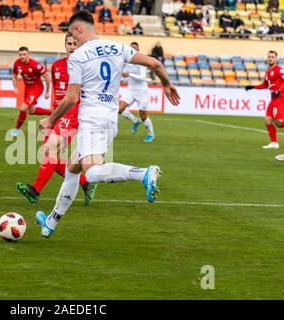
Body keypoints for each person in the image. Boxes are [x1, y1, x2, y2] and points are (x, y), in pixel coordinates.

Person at [36, 10, 180, 238]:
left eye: (72, 33)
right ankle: (51, 222)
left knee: (91, 173)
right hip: (110, 119)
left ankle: (142, 173)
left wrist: (50, 119)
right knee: (72, 168)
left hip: (91, 120)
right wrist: (167, 85)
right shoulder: (118, 47)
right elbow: (154, 63)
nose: (73, 39)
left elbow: (72, 98)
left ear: (79, 29)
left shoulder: (78, 56)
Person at [16, 34, 97, 206]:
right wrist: (52, 117)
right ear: (65, 45)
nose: (72, 46)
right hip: (60, 114)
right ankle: (85, 182)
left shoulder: (86, 66)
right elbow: (57, 94)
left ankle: (35, 191)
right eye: (69, 43)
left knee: (50, 147)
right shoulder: (57, 66)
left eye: (75, 43)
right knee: (50, 154)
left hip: (74, 114)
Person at [245, 51, 284, 150]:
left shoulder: (279, 70)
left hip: (281, 98)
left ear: (276, 59)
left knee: (279, 123)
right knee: (268, 120)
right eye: (269, 57)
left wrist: (279, 91)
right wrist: (253, 87)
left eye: (272, 57)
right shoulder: (267, 72)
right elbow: (264, 85)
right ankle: (274, 143)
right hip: (273, 99)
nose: (270, 58)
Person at [10, 47, 52, 137]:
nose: (22, 56)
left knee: (23, 108)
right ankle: (52, 113)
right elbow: (14, 76)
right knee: (31, 111)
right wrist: (15, 87)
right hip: (28, 88)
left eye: (24, 54)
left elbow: (48, 78)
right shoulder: (17, 63)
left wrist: (47, 92)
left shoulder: (35, 65)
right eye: (20, 54)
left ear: (28, 54)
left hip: (37, 88)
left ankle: (16, 129)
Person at [119, 42, 154, 142]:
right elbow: (122, 74)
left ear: (138, 50)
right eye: (131, 48)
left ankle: (151, 133)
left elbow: (142, 77)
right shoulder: (126, 61)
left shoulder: (141, 61)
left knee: (143, 115)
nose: (133, 50)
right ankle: (135, 121)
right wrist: (121, 78)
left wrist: (129, 74)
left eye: (135, 48)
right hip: (130, 89)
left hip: (141, 91)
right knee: (119, 108)